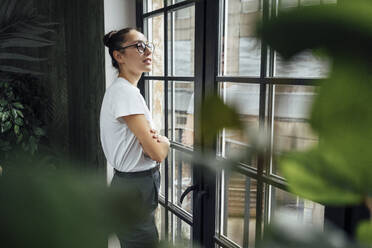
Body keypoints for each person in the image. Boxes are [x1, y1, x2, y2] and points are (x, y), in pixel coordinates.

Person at [100, 27, 170, 248]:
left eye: (148, 45)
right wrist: (165, 142)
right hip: (134, 187)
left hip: (131, 184)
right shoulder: (125, 93)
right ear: (118, 56)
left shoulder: (124, 91)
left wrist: (152, 141)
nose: (148, 51)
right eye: (139, 46)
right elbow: (156, 152)